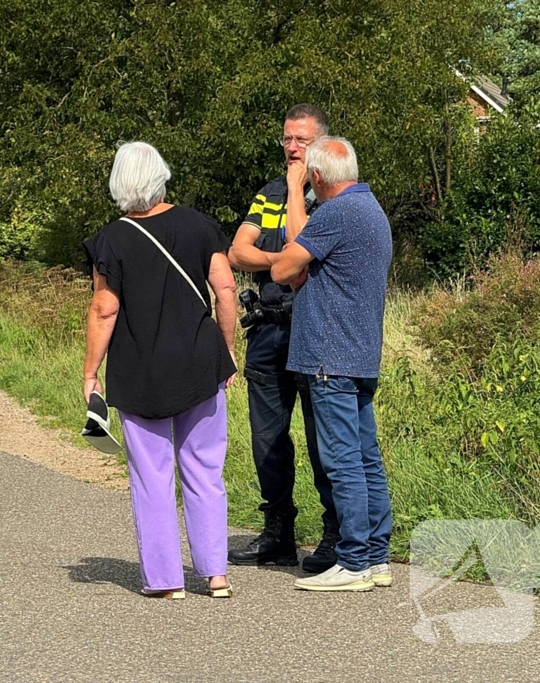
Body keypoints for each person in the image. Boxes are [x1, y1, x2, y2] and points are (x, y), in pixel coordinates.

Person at [83, 142, 238, 599]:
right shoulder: (199, 225)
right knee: (205, 468)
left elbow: (104, 310)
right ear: (162, 175)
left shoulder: (112, 239)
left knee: (151, 475)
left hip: (141, 370)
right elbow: (225, 289)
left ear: (119, 183)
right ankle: (217, 574)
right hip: (199, 363)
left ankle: (166, 581)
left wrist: (90, 371)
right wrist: (225, 351)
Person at [270, 136, 393, 592]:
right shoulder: (371, 209)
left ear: (317, 177)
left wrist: (291, 190)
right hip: (360, 354)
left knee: (342, 461)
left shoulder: (336, 213)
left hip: (330, 356)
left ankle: (354, 560)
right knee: (365, 458)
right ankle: (376, 556)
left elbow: (284, 269)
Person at [226, 104, 340, 571]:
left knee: (323, 437)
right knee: (267, 439)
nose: (293, 148)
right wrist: (282, 262)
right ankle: (278, 532)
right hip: (269, 328)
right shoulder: (270, 192)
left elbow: (307, 251)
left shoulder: (335, 195)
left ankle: (335, 533)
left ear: (321, 145)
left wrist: (280, 254)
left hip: (314, 329)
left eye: (302, 140)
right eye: (287, 140)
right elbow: (237, 250)